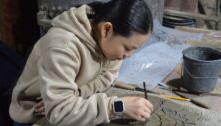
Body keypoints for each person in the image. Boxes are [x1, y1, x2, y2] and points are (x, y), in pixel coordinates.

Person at [9, 0, 154, 125]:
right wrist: (117, 106)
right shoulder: (63, 46)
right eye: (128, 48)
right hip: (34, 115)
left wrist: (77, 94)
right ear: (107, 29)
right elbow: (60, 112)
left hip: (63, 107)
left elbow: (107, 77)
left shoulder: (110, 48)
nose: (128, 56)